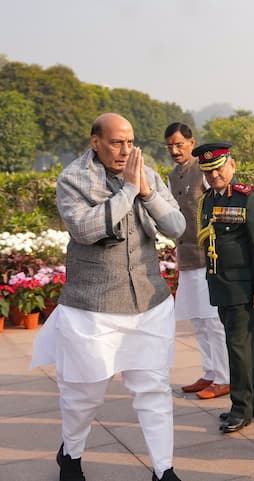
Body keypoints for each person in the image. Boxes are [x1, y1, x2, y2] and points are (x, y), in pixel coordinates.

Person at [31, 113, 186, 481]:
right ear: (95, 142)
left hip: (149, 302)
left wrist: (145, 191)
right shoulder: (72, 179)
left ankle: (164, 469)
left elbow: (177, 227)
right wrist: (129, 191)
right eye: (116, 142)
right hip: (93, 306)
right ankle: (71, 454)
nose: (125, 150)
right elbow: (85, 230)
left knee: (154, 391)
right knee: (83, 396)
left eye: (130, 142)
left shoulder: (147, 175)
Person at [194, 141, 254, 433]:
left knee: (237, 347)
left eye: (219, 169)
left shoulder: (247, 198)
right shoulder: (208, 199)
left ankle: (240, 408)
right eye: (209, 172)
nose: (214, 176)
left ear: (232, 165)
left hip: (243, 286)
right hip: (221, 283)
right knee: (244, 347)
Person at [165, 123, 230, 400]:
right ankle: (209, 372)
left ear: (191, 143)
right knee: (197, 320)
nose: (175, 151)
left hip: (208, 255)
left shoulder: (203, 171)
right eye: (170, 146)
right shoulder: (172, 175)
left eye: (179, 144)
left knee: (213, 320)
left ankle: (225, 377)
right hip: (187, 256)